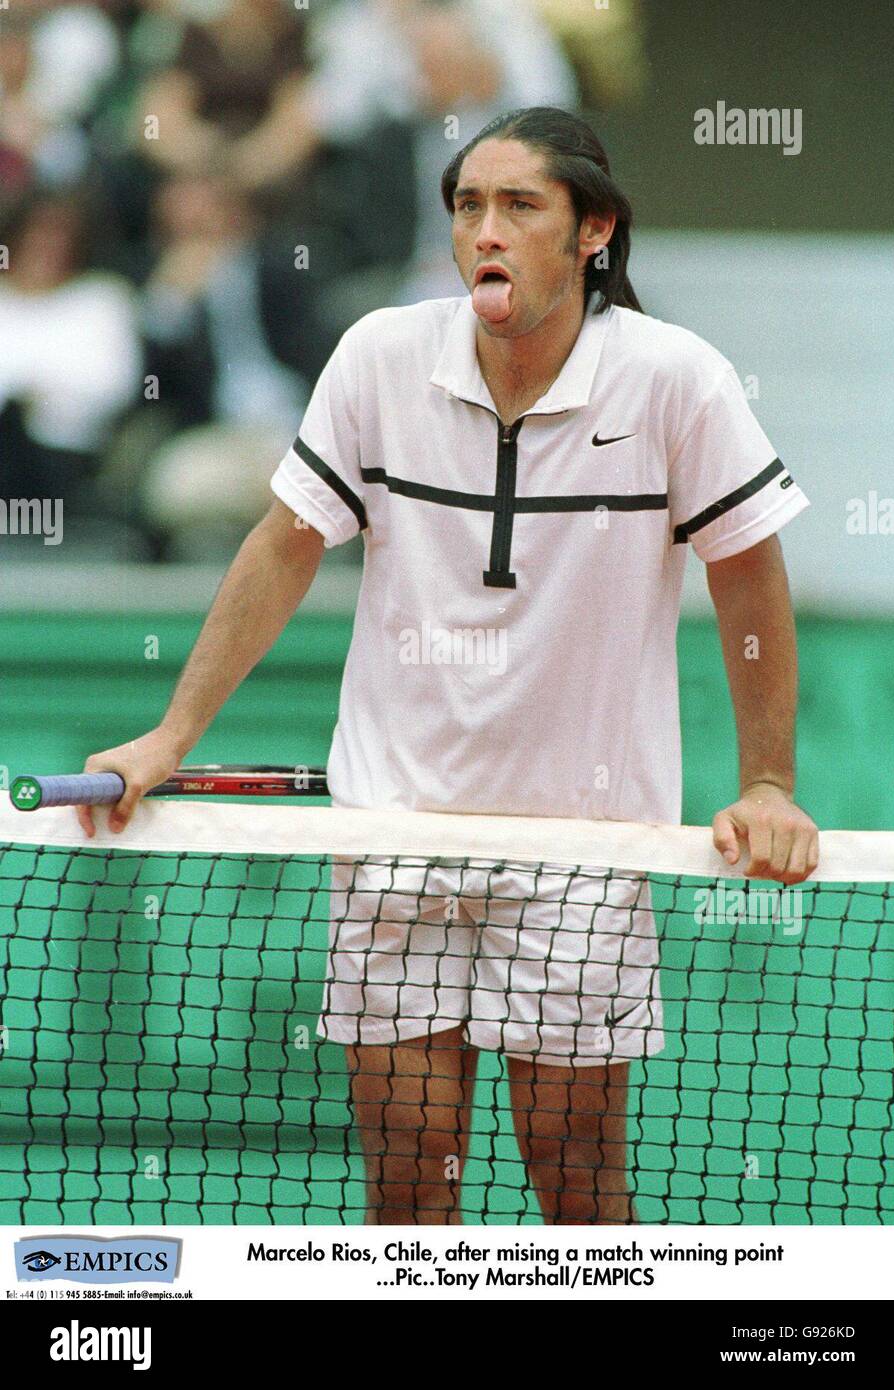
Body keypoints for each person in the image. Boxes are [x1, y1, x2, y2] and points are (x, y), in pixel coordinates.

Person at [77, 106, 819, 1225]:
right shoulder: (379, 356)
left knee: (577, 1195)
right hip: (392, 833)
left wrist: (766, 781)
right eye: (469, 205)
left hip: (581, 847)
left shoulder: (678, 380)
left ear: (592, 232)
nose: (487, 230)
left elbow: (750, 581)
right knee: (406, 1197)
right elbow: (281, 548)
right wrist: (170, 736)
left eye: (520, 206)